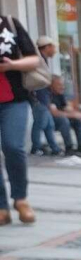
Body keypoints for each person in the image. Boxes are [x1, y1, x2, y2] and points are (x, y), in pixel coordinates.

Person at [0, 13, 40, 224]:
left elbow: (34, 59)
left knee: (13, 146)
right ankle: (1, 207)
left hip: (13, 99)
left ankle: (20, 199)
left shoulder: (9, 24)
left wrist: (12, 65)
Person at [28, 36, 61, 157]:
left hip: (43, 98)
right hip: (38, 98)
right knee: (40, 124)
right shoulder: (39, 60)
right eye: (53, 47)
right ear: (47, 47)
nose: (55, 50)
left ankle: (55, 148)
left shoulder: (43, 60)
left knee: (49, 125)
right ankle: (36, 148)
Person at [48, 76, 81, 156]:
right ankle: (69, 147)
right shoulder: (48, 96)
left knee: (77, 120)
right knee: (64, 120)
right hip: (51, 121)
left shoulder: (60, 95)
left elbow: (66, 108)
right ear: (51, 85)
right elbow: (54, 113)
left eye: (63, 85)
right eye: (59, 85)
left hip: (60, 117)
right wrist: (72, 114)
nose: (62, 87)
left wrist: (79, 112)